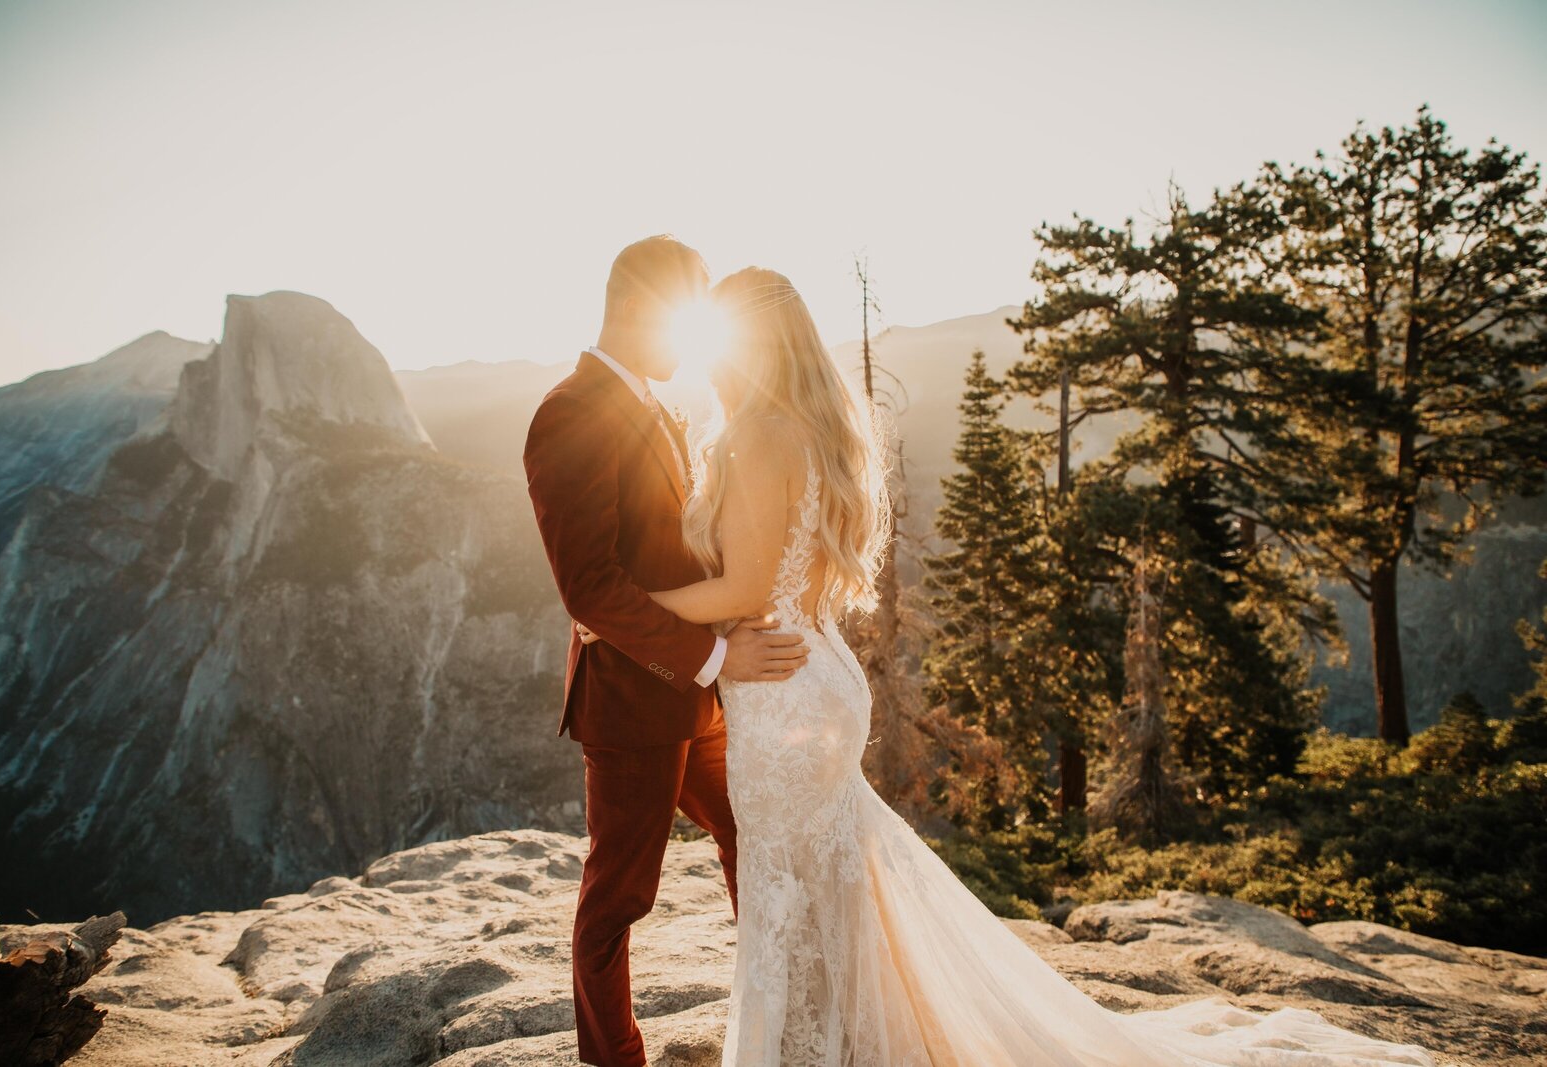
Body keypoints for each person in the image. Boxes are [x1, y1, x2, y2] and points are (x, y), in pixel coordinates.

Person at [576, 266, 1440, 1067]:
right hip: (810, 674)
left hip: (782, 688)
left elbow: (750, 583)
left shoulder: (762, 434)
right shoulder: (799, 426)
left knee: (787, 887)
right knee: (816, 884)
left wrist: (631, 606)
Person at [522, 236, 810, 1067]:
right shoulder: (567, 412)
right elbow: (591, 587)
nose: (689, 349)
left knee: (749, 835)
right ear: (637, 310)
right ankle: (612, 1060)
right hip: (634, 702)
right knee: (619, 899)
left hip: (696, 692)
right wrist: (718, 658)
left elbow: (673, 553)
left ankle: (776, 1017)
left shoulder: (654, 405)